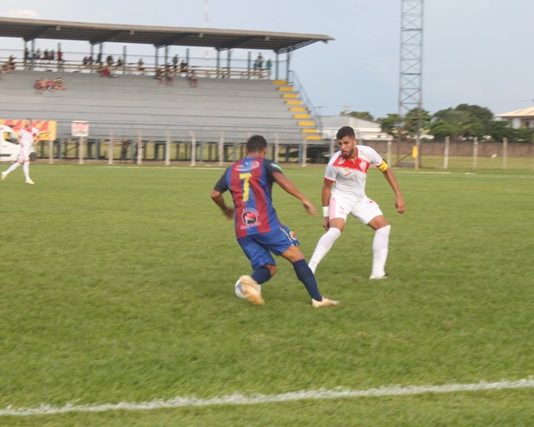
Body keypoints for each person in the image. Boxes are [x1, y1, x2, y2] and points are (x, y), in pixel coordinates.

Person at [211, 135, 338, 308]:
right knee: (297, 257)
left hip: (242, 230)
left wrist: (226, 209)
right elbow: (283, 181)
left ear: (246, 150)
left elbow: (215, 194)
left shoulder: (231, 170)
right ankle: (318, 299)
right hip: (265, 225)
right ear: (264, 150)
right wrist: (303, 198)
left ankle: (249, 281)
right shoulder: (265, 164)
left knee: (269, 268)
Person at [308, 126, 405, 279]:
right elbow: (326, 188)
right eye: (340, 144)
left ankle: (377, 273)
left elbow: (386, 170)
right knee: (335, 230)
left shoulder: (368, 153)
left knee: (383, 227)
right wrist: (326, 216)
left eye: (346, 143)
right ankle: (309, 269)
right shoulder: (334, 163)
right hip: (340, 198)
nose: (343, 147)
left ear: (355, 141)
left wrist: (399, 196)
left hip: (360, 199)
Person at [1, 120, 40, 185]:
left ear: (30, 124)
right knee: (26, 161)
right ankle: (27, 179)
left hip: (28, 148)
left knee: (19, 162)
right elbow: (18, 137)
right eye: (25, 123)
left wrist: (35, 142)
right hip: (23, 148)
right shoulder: (22, 130)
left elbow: (38, 137)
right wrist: (20, 142)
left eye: (27, 123)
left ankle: (5, 172)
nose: (25, 124)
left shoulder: (35, 130)